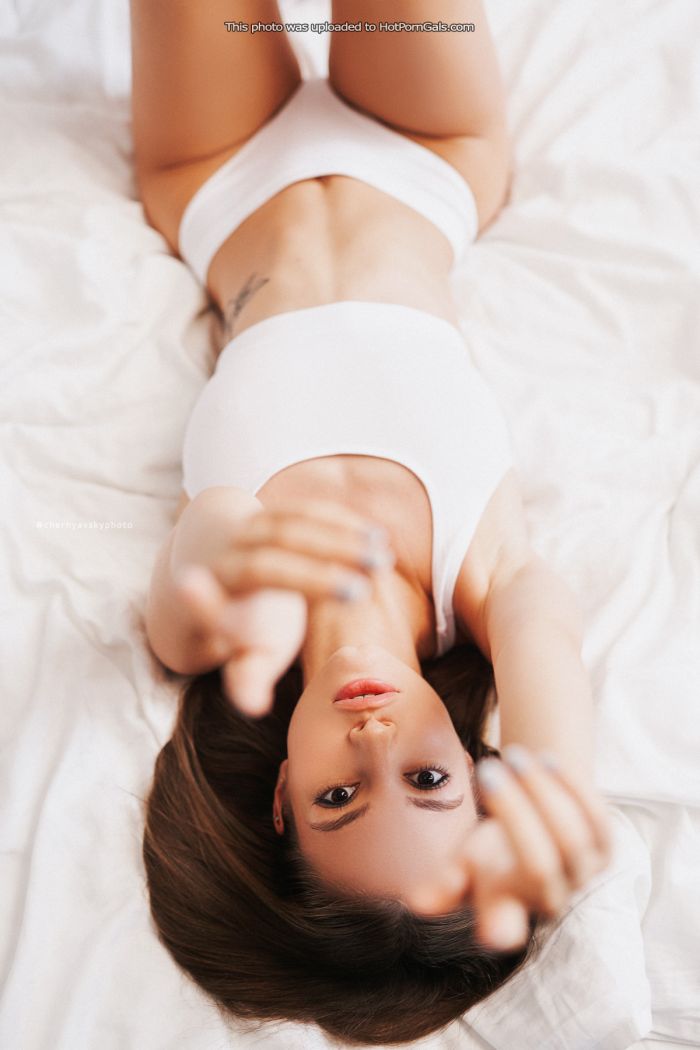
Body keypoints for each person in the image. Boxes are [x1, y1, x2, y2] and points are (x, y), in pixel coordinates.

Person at [131, 2, 612, 1043]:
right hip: (428, 156)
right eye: (428, 781)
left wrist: (225, 551)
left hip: (217, 176)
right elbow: (550, 652)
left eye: (339, 797)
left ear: (281, 800)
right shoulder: (486, 581)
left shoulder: (227, 633)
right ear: (482, 768)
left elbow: (192, 568)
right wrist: (556, 794)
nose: (375, 739)